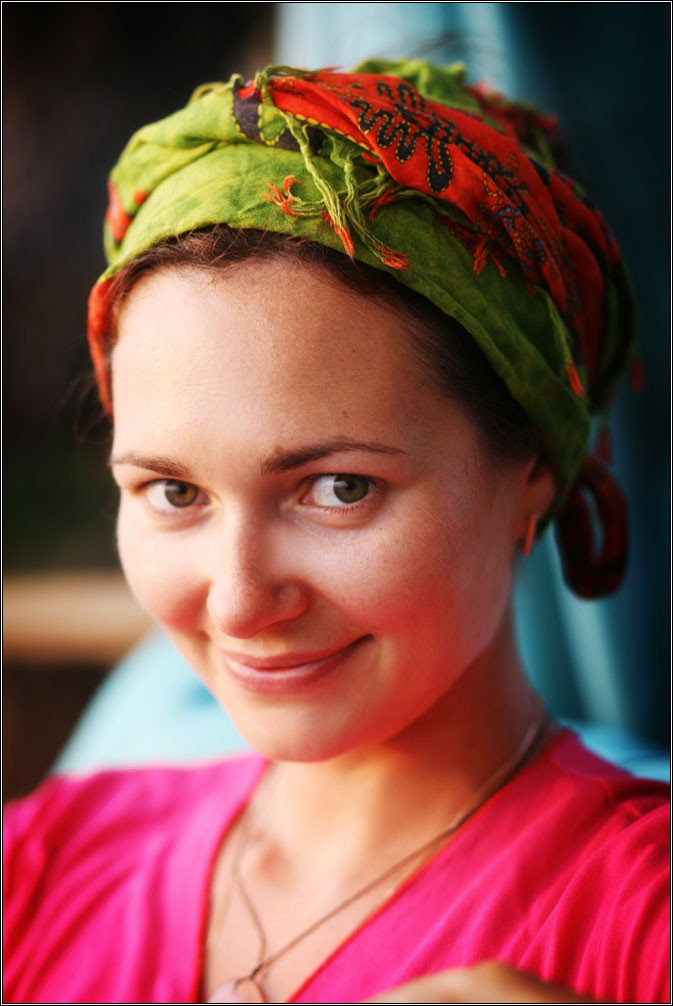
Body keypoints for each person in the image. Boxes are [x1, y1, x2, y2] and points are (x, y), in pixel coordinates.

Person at [3, 60, 669, 1005]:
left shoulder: (640, 925)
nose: (240, 603)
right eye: (174, 492)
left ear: (532, 467)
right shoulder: (38, 870)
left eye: (339, 488)